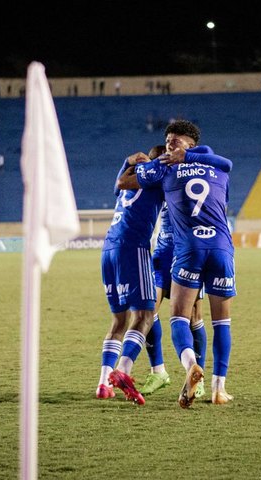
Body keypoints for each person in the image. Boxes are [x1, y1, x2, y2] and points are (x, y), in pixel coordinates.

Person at [121, 120, 236, 408]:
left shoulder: (165, 168)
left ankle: (190, 366)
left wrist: (133, 163)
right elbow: (227, 163)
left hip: (187, 249)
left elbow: (124, 182)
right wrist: (184, 157)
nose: (170, 144)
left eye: (176, 140)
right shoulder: (216, 166)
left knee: (183, 318)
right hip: (220, 247)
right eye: (168, 139)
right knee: (218, 321)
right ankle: (216, 388)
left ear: (192, 145)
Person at [95, 145, 165, 405]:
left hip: (108, 249)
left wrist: (126, 162)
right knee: (145, 315)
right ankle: (123, 371)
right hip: (132, 248)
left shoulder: (131, 177)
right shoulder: (159, 173)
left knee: (119, 321)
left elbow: (117, 186)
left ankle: (103, 384)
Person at [140, 144, 209, 398]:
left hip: (187, 254)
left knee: (193, 317)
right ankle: (158, 371)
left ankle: (198, 378)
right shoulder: (157, 183)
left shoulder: (190, 176)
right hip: (162, 253)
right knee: (149, 311)